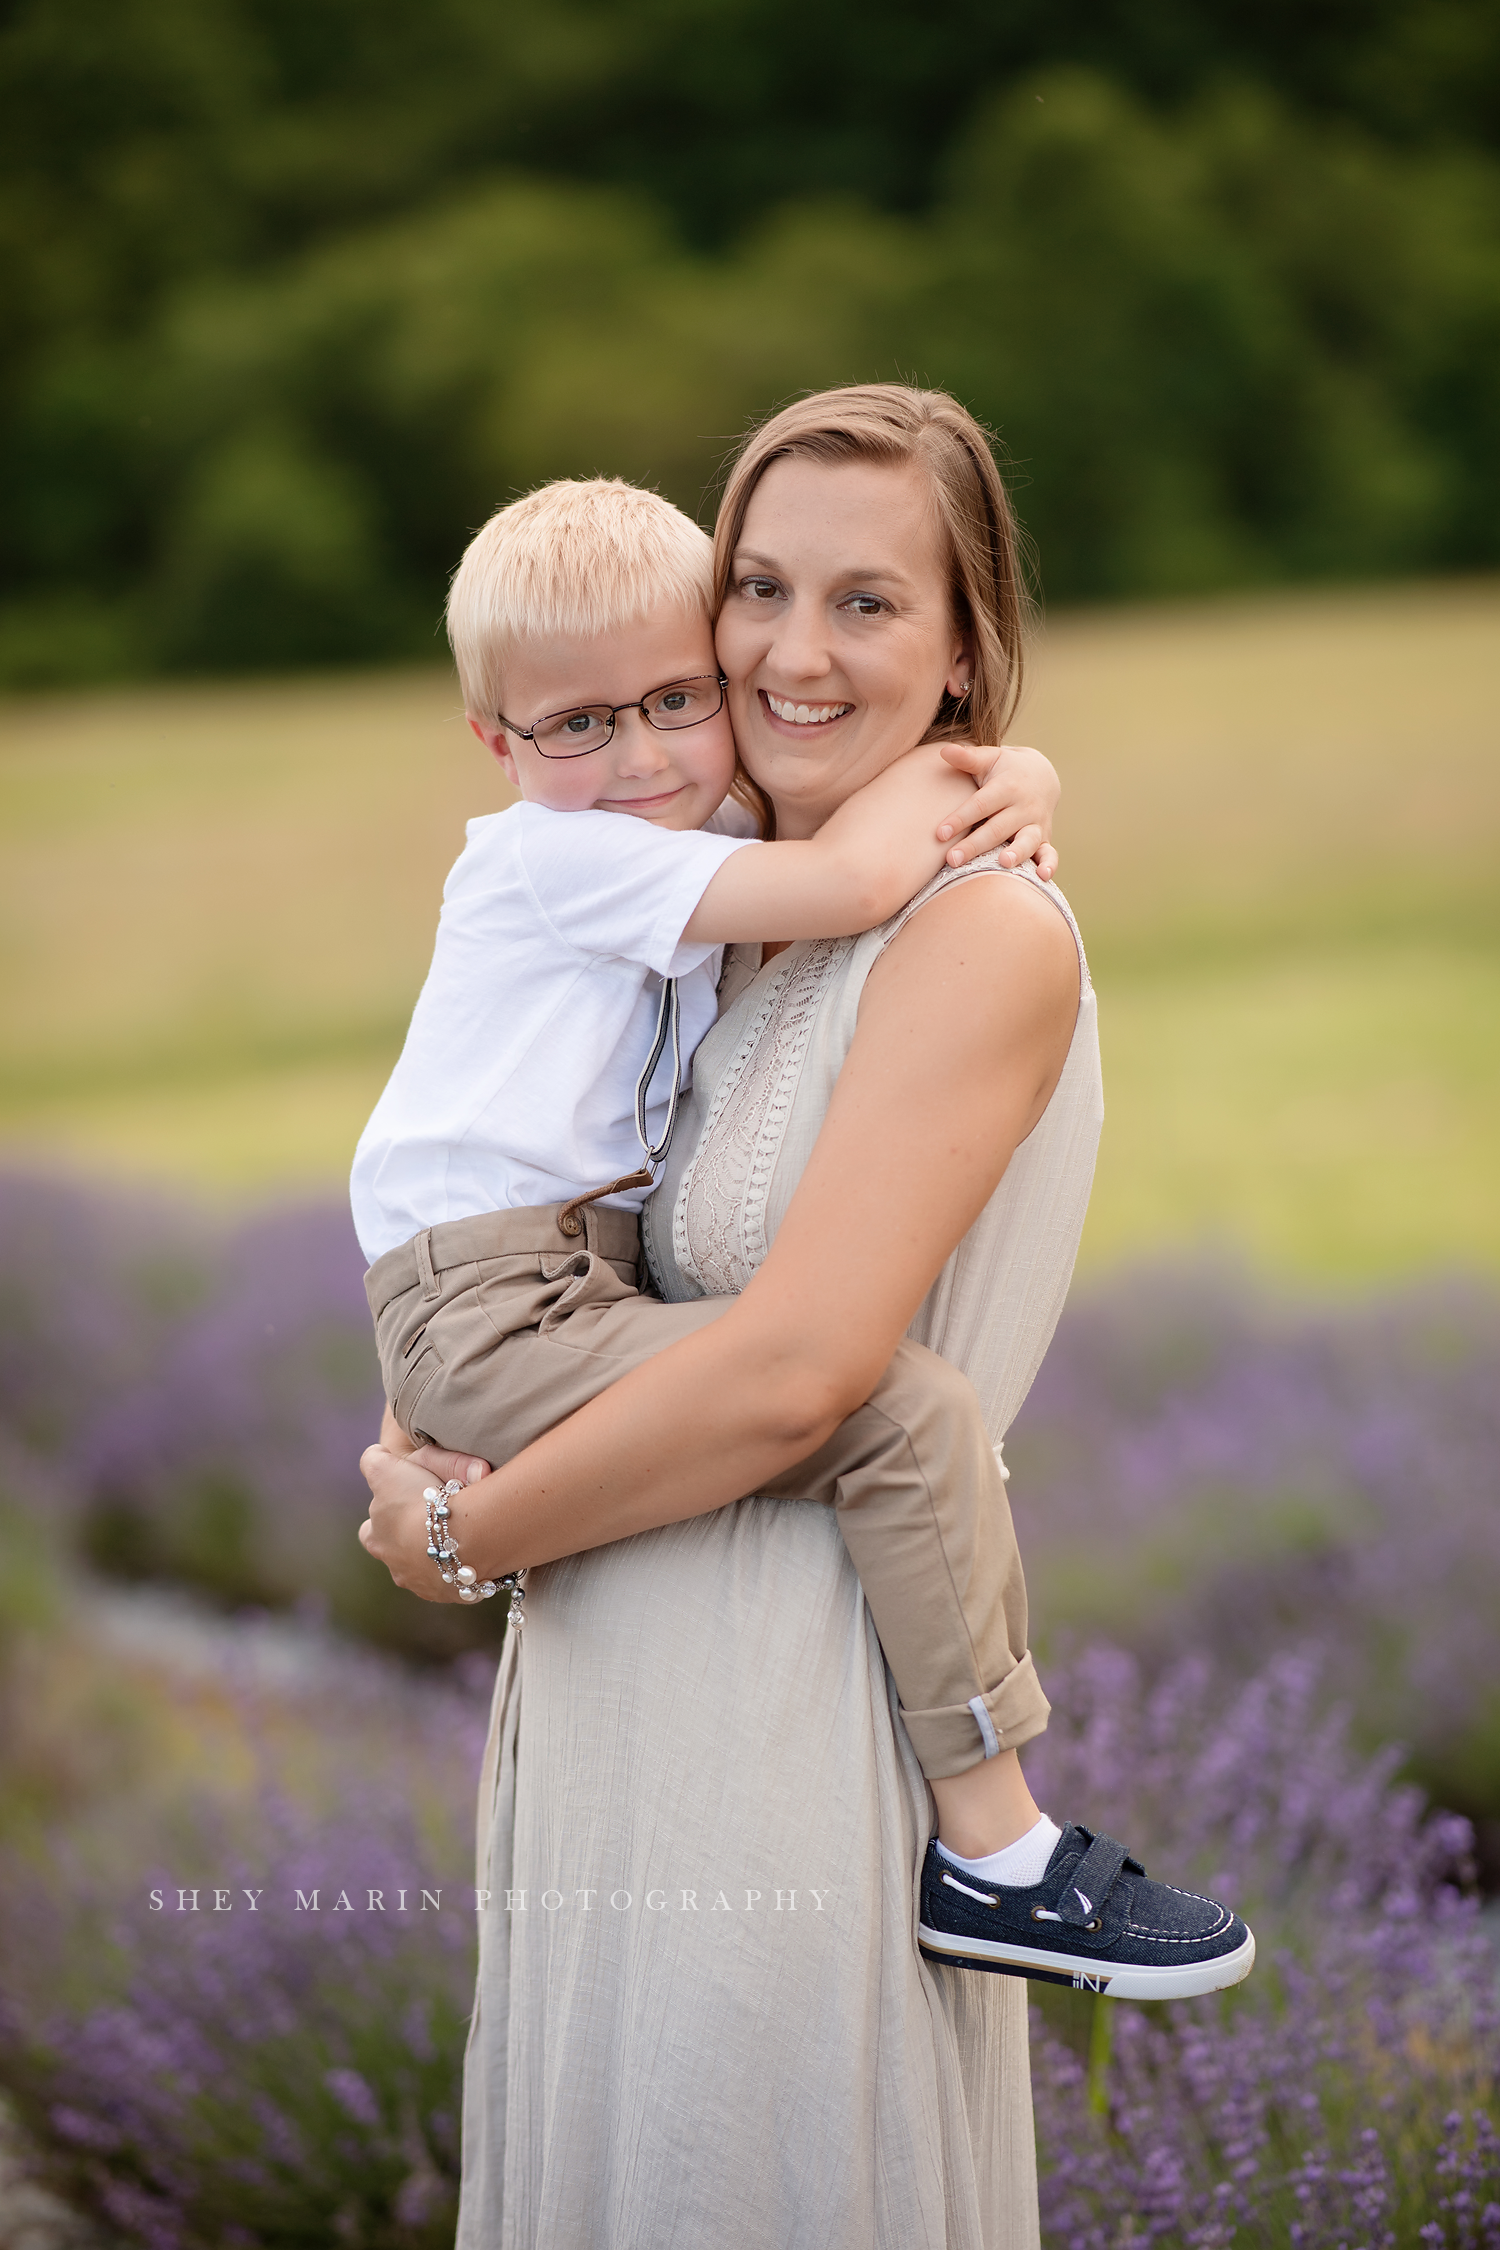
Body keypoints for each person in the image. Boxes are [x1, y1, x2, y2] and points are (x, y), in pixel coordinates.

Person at [361, 386, 1250, 2247]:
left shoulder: (979, 930)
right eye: (759, 588)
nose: (789, 648)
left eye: (868, 603)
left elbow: (801, 1371)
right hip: (618, 1708)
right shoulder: (716, 906)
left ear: (963, 647)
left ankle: (1006, 1849)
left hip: (796, 1721)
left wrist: (457, 1531)